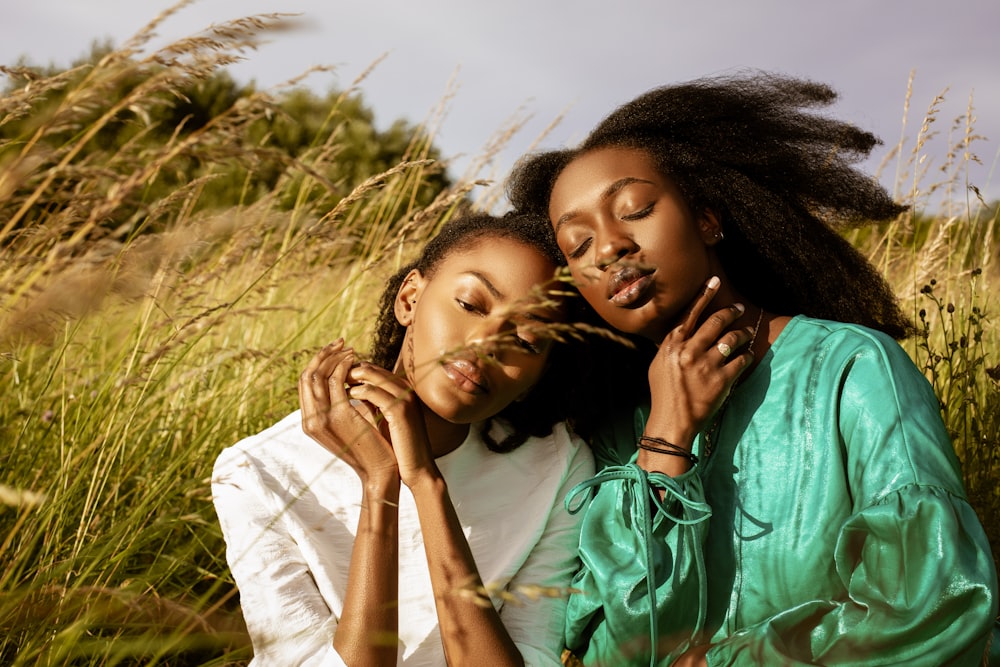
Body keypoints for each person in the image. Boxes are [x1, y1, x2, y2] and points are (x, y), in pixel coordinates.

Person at [506, 72, 999, 666]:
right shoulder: (613, 434)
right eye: (578, 245)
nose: (608, 247)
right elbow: (615, 648)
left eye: (634, 210)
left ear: (708, 218)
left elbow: (932, 608)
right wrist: (666, 442)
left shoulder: (851, 369)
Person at [212, 212, 597, 666]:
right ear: (410, 298)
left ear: (539, 373)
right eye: (472, 305)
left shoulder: (555, 467)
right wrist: (382, 485)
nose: (488, 343)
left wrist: (425, 484)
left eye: (529, 340)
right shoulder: (260, 471)